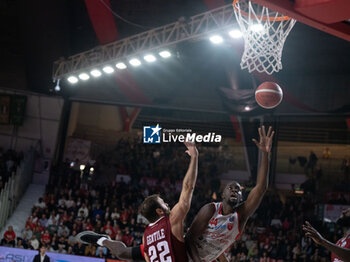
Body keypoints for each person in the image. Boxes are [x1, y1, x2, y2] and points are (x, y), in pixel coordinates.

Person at [76, 141, 199, 262]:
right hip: (169, 244)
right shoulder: (171, 220)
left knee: (123, 252)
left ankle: (102, 240)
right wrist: (194, 157)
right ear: (159, 211)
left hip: (158, 246)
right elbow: (188, 187)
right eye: (164, 203)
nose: (167, 204)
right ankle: (103, 241)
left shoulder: (146, 236)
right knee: (122, 253)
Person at [186, 125, 274, 262]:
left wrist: (265, 154)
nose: (234, 190)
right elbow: (190, 239)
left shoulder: (241, 215)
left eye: (238, 189)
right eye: (230, 188)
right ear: (223, 195)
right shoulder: (210, 209)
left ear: (241, 197)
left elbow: (261, 188)